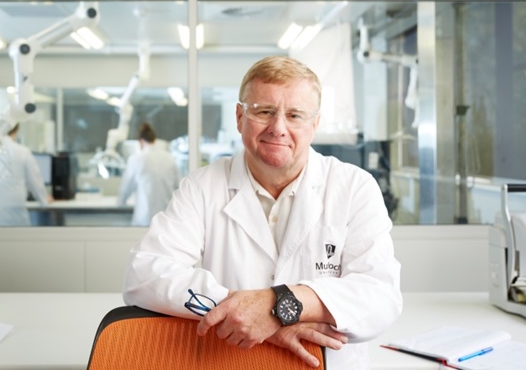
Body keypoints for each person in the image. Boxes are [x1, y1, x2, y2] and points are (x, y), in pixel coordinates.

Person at [122, 55, 402, 369]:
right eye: (264, 111)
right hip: (235, 360)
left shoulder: (353, 187)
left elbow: (380, 297)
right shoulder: (203, 185)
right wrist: (246, 315)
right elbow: (144, 275)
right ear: (240, 117)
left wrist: (276, 306)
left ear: (315, 124)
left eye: (295, 115)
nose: (278, 128)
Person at [0, 123, 52, 226]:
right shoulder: (23, 152)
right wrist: (44, 199)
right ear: (16, 130)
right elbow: (36, 184)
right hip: (16, 220)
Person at [118, 122, 180, 226]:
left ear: (141, 141)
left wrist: (120, 203)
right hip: (166, 219)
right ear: (154, 139)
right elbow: (178, 185)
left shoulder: (136, 159)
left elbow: (126, 188)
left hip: (144, 220)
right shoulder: (169, 158)